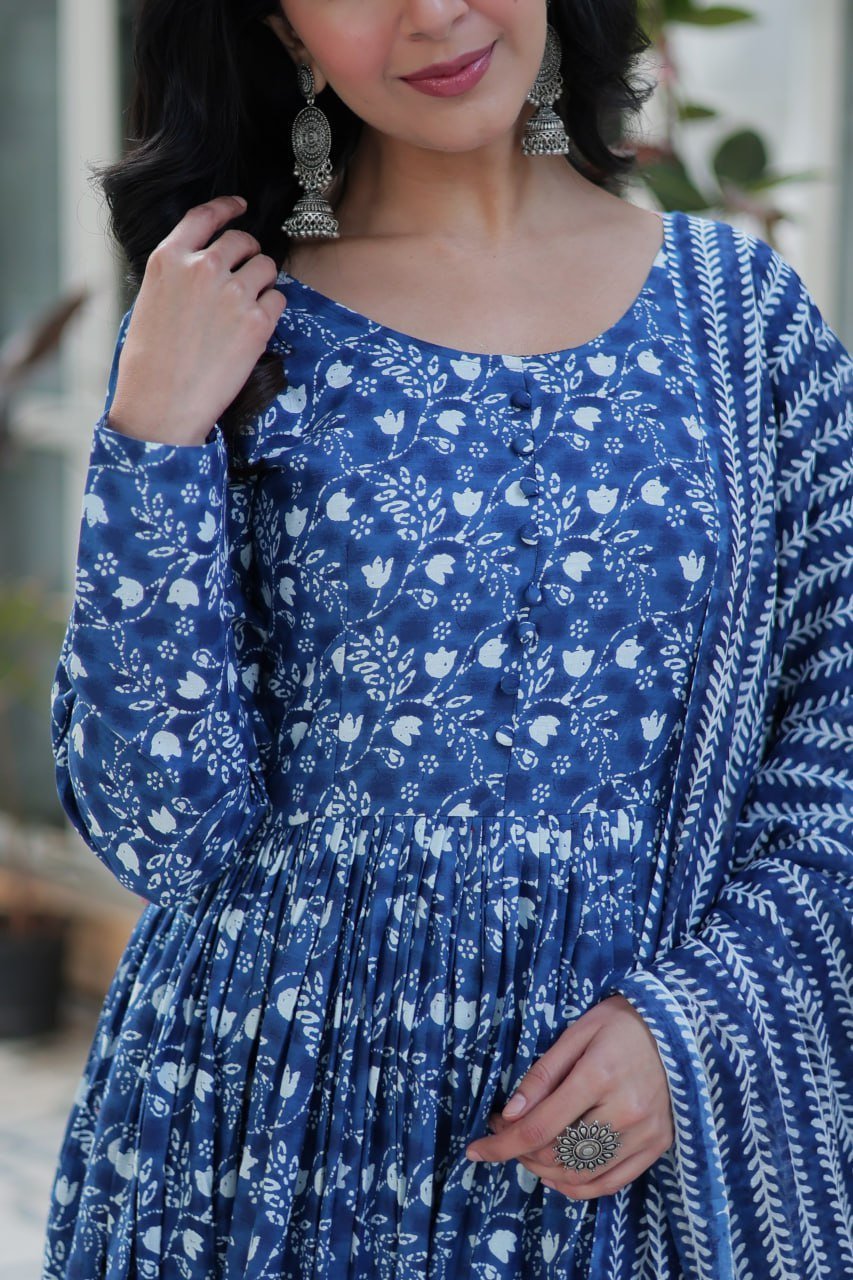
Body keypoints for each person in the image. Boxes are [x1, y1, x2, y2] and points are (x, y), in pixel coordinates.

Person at [43, 0, 852, 1276]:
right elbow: (160, 830)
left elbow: (839, 730)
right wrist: (151, 440)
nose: (433, 13)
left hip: (615, 1153)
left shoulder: (738, 320)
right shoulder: (230, 320)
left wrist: (695, 1024)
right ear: (284, 26)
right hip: (257, 1143)